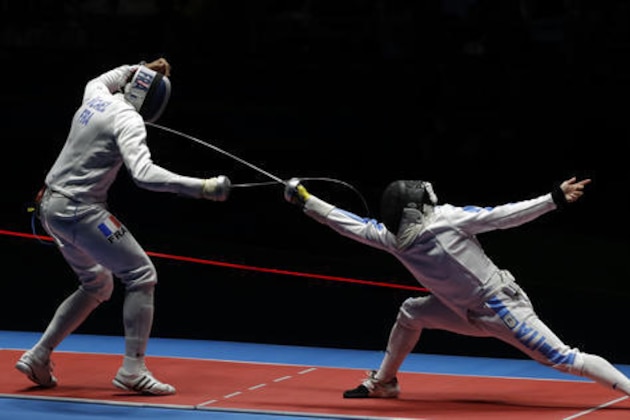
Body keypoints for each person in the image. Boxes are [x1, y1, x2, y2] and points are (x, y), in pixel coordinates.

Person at [284, 176, 630, 399]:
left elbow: (502, 215)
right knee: (410, 313)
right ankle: (385, 383)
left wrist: (552, 199)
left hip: (501, 306)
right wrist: (305, 201)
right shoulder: (391, 238)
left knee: (565, 359)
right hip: (460, 311)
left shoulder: (449, 220)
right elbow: (346, 223)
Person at [16, 58, 231, 395]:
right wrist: (202, 187)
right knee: (141, 275)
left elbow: (110, 76)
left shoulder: (95, 94)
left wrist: (144, 67)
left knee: (97, 283)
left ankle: (39, 355)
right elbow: (145, 175)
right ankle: (133, 370)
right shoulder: (128, 119)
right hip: (80, 211)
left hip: (49, 208)